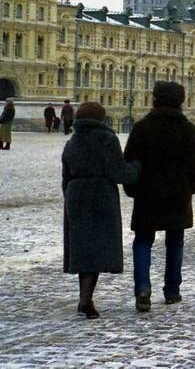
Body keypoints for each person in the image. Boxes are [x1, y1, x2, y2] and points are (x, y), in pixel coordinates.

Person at [124, 82, 195, 312]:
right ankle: (171, 291)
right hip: (177, 195)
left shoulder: (141, 128)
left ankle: (142, 288)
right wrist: (191, 187)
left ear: (155, 100)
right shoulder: (188, 129)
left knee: (142, 242)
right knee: (175, 241)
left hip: (146, 194)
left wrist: (132, 189)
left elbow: (129, 160)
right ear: (181, 102)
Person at [62, 101, 140, 319]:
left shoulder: (72, 141)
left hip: (76, 195)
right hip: (100, 196)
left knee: (83, 249)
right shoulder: (107, 139)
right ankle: (85, 301)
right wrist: (136, 168)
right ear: (101, 118)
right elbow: (118, 172)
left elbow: (65, 175)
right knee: (95, 250)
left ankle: (84, 298)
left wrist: (70, 196)